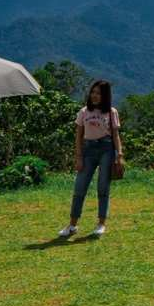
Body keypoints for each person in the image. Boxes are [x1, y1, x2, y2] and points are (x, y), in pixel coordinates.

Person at [59, 80, 123, 239]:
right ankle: (72, 225)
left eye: (98, 93)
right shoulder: (83, 112)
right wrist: (78, 156)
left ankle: (101, 224)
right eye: (93, 92)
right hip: (88, 149)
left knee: (103, 187)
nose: (94, 96)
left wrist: (119, 155)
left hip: (106, 149)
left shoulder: (111, 112)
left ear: (105, 96)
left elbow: (115, 135)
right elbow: (78, 136)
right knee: (80, 187)